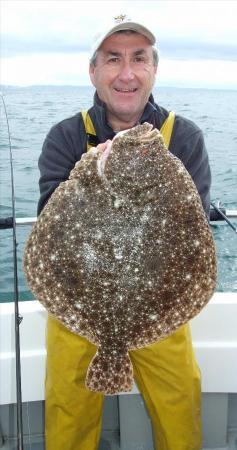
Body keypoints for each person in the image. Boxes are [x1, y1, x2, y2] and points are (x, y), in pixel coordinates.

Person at [38, 15, 211, 450]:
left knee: (180, 402)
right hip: (80, 310)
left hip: (158, 305)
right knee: (68, 410)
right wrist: (90, 173)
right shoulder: (65, 137)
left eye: (140, 58)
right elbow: (49, 226)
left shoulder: (185, 137)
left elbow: (194, 230)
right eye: (113, 59)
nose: (127, 72)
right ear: (93, 71)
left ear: (154, 68)